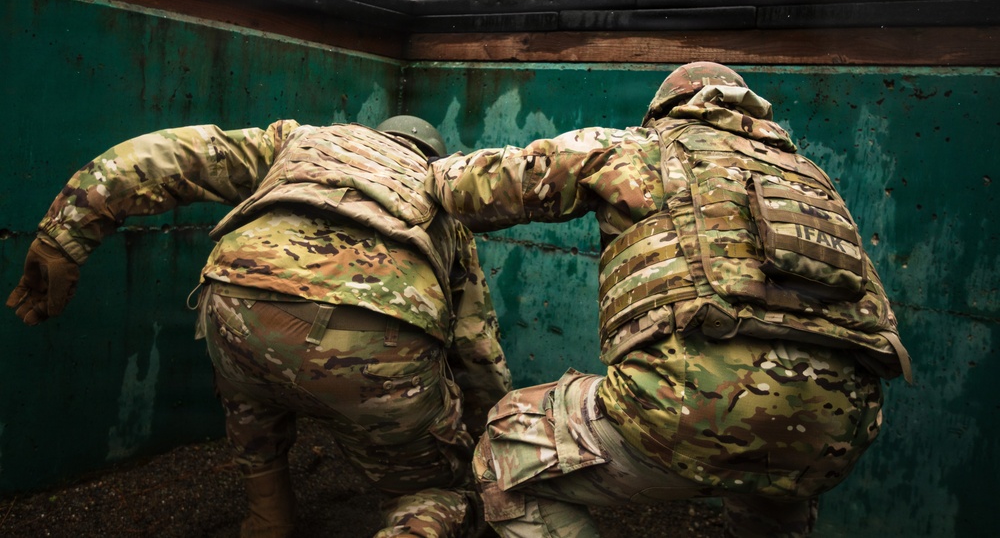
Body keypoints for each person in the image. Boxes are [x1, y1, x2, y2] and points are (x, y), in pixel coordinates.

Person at [427, 63, 911, 538]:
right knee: (774, 484)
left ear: (664, 110)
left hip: (681, 413)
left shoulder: (639, 148)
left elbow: (483, 185)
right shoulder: (809, 178)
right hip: (838, 433)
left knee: (503, 446)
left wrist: (422, 172)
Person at [6, 114, 512, 538]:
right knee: (433, 491)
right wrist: (488, 445)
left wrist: (64, 235)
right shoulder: (447, 194)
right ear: (434, 155)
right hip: (378, 343)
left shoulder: (301, 141)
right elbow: (475, 346)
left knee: (251, 379)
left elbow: (174, 155)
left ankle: (268, 518)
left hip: (238, 302)